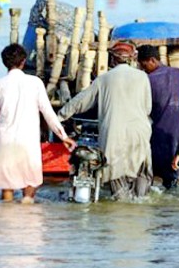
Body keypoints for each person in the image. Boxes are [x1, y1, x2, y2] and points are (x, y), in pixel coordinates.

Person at [58, 42, 153, 201]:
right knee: (141, 170)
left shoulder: (104, 79)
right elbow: (148, 107)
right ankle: (140, 201)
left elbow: (80, 101)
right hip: (139, 131)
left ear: (113, 60)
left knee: (115, 173)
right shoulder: (143, 77)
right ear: (131, 59)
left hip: (113, 133)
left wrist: (60, 116)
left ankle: (120, 205)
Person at [0, 44, 76, 203]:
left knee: (7, 193)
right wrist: (63, 136)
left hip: (4, 141)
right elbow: (48, 113)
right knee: (30, 187)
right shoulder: (35, 83)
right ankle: (28, 214)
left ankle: (5, 224)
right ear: (24, 61)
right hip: (27, 142)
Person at [137, 45, 179, 190]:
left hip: (158, 133)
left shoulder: (148, 80)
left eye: (144, 64)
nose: (143, 68)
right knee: (173, 177)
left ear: (152, 60)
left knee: (151, 174)